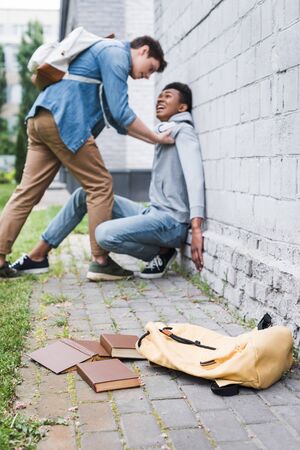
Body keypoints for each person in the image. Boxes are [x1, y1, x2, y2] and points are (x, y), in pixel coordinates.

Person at [0, 35, 173, 279]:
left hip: (41, 117)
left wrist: (151, 138)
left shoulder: (102, 54)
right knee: (100, 186)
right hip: (65, 120)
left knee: (27, 191)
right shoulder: (115, 54)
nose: (146, 76)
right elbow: (122, 113)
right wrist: (157, 138)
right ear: (143, 50)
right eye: (150, 69)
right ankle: (101, 261)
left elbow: (114, 118)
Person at [12, 82, 205, 280]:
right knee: (82, 196)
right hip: (152, 212)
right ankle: (37, 256)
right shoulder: (163, 132)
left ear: (182, 108)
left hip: (171, 222)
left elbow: (195, 177)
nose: (160, 99)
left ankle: (160, 253)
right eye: (160, 95)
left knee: (103, 234)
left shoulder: (183, 131)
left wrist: (196, 227)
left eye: (168, 96)